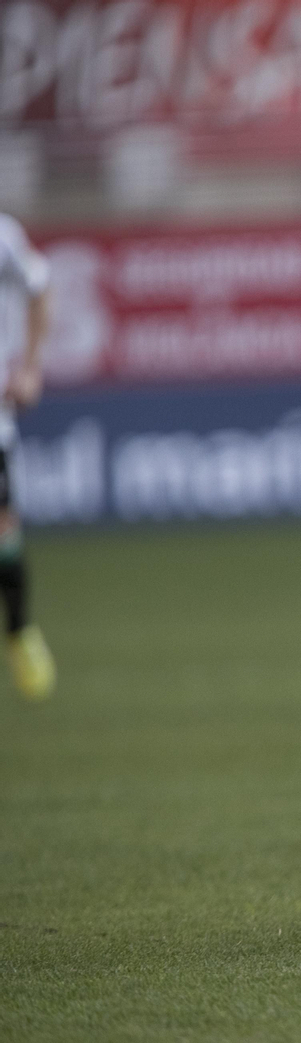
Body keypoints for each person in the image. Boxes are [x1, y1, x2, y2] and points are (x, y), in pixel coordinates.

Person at [0, 214, 53, 701]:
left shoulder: (4, 237)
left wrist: (31, 368)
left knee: (4, 533)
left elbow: (40, 285)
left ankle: (19, 632)